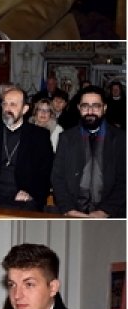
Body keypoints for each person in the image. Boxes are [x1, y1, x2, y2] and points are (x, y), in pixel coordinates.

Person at [0, 85, 54, 210]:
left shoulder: (39, 136)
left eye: (13, 104)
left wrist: (30, 194)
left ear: (25, 109)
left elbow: (45, 173)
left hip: (22, 199)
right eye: (5, 104)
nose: (7, 109)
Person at [51, 84, 125, 218]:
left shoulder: (120, 139)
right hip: (73, 211)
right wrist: (69, 209)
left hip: (111, 214)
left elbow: (123, 181)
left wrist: (104, 211)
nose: (90, 111)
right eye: (85, 106)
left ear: (104, 108)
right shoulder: (66, 138)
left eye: (96, 106)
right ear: (79, 108)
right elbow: (57, 177)